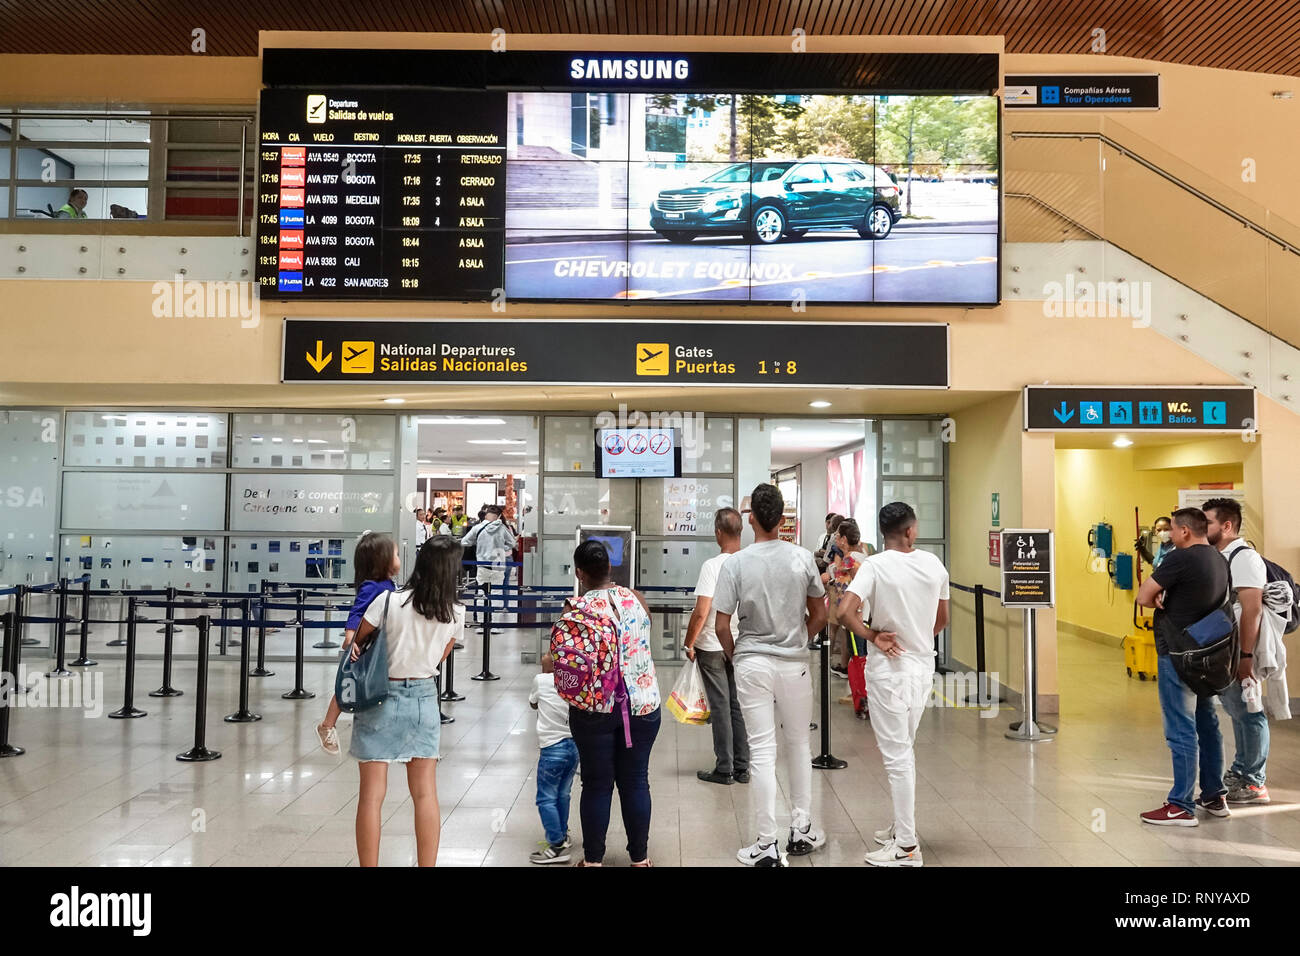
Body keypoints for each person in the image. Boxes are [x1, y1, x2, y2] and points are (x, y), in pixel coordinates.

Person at [713, 483, 827, 867]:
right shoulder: (802, 559)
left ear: (751, 519)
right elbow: (821, 614)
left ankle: (765, 843)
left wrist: (737, 656)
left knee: (762, 751)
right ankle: (801, 827)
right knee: (798, 745)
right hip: (794, 664)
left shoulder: (736, 563)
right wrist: (799, 639)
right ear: (782, 519)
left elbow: (722, 626)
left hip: (752, 663)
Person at [839, 502, 949, 867]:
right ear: (911, 531)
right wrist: (917, 637)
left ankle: (906, 847)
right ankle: (901, 827)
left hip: (889, 670)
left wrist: (873, 635)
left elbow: (843, 612)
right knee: (905, 749)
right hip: (921, 668)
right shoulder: (934, 565)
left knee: (898, 757)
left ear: (884, 533)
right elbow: (942, 618)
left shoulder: (876, 565)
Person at [348, 535, 464, 866]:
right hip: (424, 698)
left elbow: (357, 642)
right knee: (425, 793)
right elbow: (440, 659)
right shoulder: (456, 612)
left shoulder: (387, 602)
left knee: (371, 796)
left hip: (379, 697)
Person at [565, 540, 661, 867]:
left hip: (595, 708)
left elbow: (564, 662)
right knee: (635, 780)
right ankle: (640, 860)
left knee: (596, 782)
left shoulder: (575, 608)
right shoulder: (636, 598)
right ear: (609, 568)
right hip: (643, 704)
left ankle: (593, 861)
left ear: (579, 573)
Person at [1136, 507, 1229, 826]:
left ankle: (1181, 805)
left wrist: (1158, 592)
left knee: (1180, 728)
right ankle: (1214, 794)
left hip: (1178, 653)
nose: (1169, 536)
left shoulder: (1180, 558)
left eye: (1172, 531)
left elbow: (1143, 596)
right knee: (1207, 723)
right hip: (1208, 653)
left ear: (1186, 531)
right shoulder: (1219, 558)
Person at [1204, 497, 1270, 805]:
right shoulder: (1220, 556)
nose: (1204, 528)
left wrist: (1245, 657)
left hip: (1241, 650)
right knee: (1236, 710)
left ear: (1227, 526)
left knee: (1249, 710)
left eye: (1209, 523)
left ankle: (1254, 780)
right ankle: (1241, 769)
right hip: (1226, 648)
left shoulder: (1243, 558)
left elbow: (1251, 609)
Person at [316, 532, 400, 755]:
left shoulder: (387, 584)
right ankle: (327, 725)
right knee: (349, 684)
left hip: (377, 644)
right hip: (364, 646)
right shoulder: (373, 586)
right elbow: (356, 612)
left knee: (361, 684)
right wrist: (350, 638)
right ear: (382, 560)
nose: (399, 559)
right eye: (396, 555)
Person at [683, 507, 749, 786]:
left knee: (720, 706)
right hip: (741, 642)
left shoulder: (713, 565)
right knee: (738, 705)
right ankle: (743, 766)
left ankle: (725, 768)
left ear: (718, 533)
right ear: (741, 531)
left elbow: (702, 610)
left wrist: (689, 642)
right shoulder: (750, 561)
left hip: (712, 644)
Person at [528, 654, 578, 864]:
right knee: (563, 793)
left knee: (546, 797)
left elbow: (533, 704)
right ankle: (563, 833)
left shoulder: (541, 681)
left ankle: (556, 844)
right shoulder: (575, 680)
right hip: (574, 746)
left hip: (551, 748)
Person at [824, 517, 868, 677]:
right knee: (854, 650)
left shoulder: (852, 559)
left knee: (858, 652)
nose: (835, 539)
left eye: (837, 536)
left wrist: (857, 610)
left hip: (856, 615)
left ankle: (861, 692)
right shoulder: (852, 557)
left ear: (843, 539)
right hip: (853, 615)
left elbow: (859, 585)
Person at [461, 505, 517, 600]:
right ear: (498, 517)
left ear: (486, 515)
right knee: (497, 593)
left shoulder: (477, 528)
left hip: (482, 565)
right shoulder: (502, 528)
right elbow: (512, 543)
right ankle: (495, 614)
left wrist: (477, 543)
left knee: (481, 593)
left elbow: (464, 542)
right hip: (498, 565)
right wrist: (502, 548)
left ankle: (481, 614)